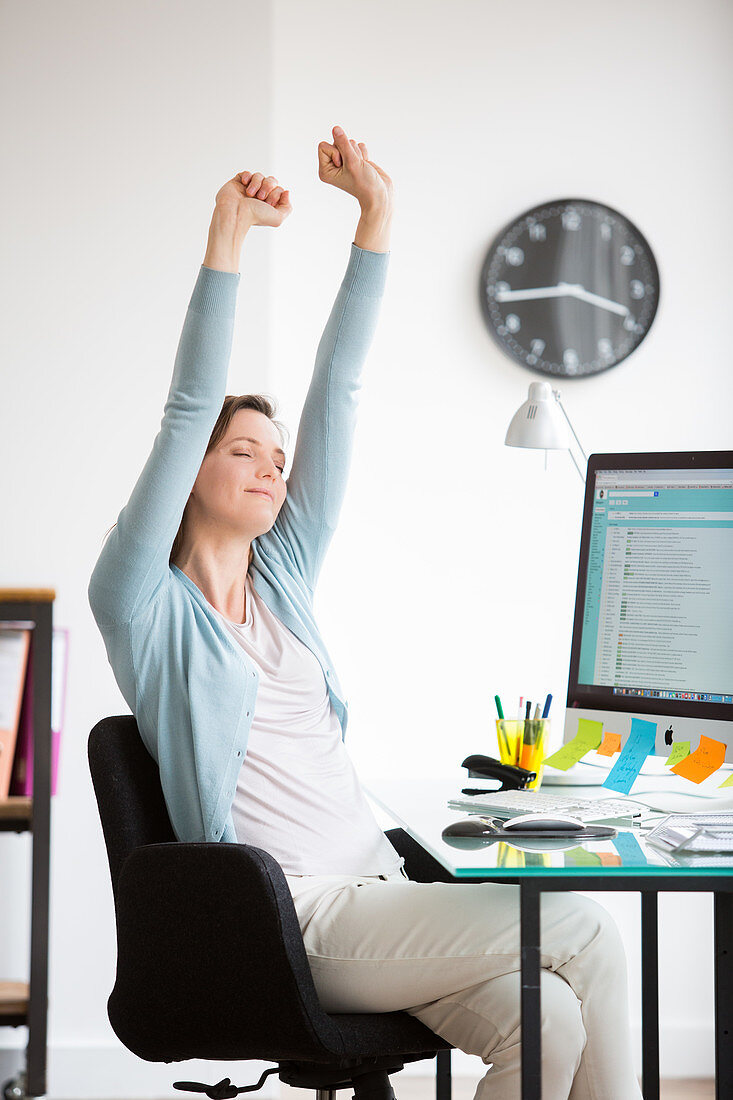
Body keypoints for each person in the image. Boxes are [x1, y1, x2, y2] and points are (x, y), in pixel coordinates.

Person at [88, 125, 642, 1100]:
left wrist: (375, 220)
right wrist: (228, 235)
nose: (273, 463)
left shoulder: (285, 577)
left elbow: (337, 390)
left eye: (277, 453)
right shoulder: (142, 603)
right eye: (244, 449)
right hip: (295, 914)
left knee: (546, 1015)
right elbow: (186, 406)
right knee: (587, 927)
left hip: (385, 893)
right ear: (186, 480)